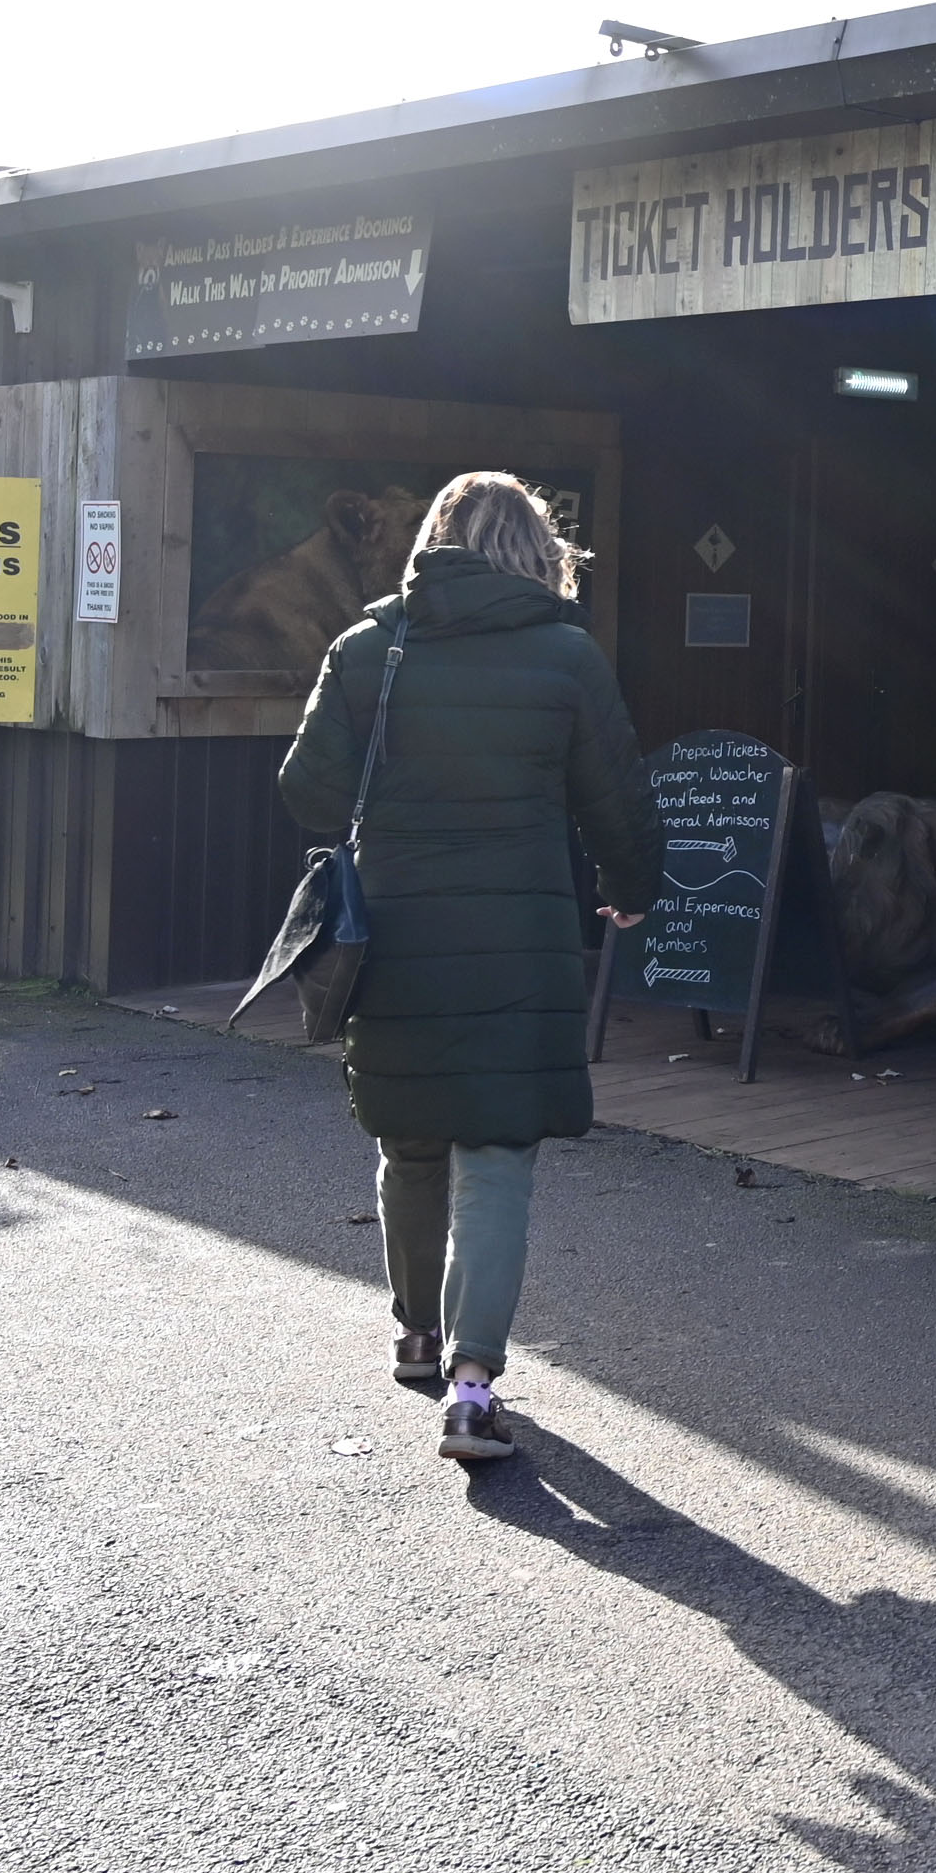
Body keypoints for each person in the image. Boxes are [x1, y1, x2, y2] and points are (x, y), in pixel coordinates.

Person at [277, 470, 662, 1465]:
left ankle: (413, 1329)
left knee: (409, 1139)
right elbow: (615, 799)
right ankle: (474, 1387)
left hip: (397, 939)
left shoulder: (370, 648)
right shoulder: (566, 658)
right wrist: (632, 884)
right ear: (539, 554)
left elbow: (307, 790)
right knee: (494, 1158)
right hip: (520, 947)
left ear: (433, 541)